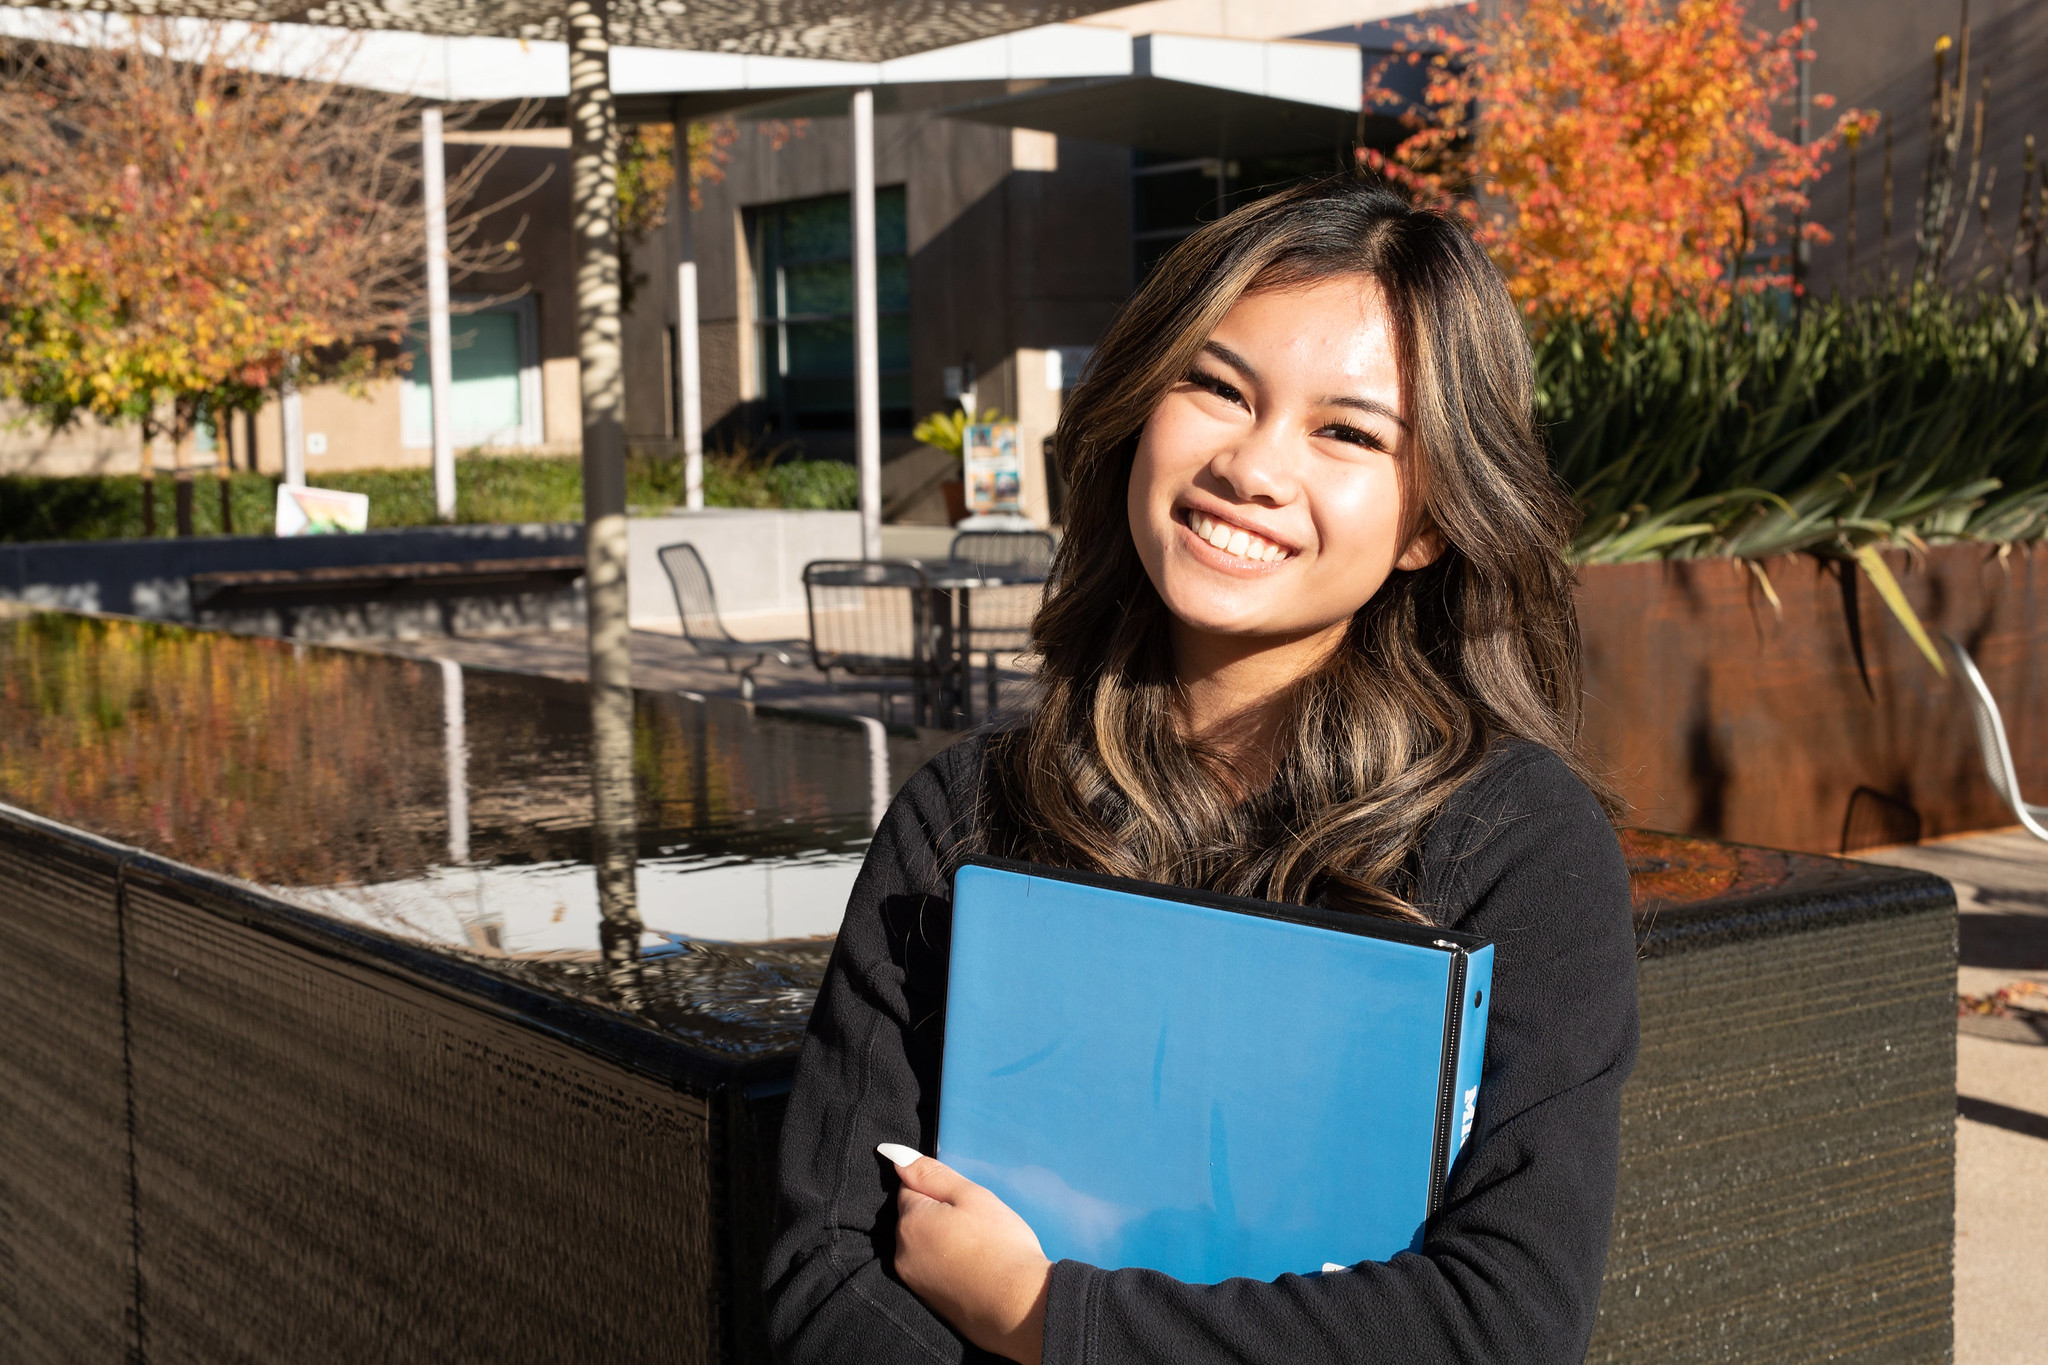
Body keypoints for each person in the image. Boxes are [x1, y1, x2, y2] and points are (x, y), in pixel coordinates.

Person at [763, 175, 1638, 1365]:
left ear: (1429, 520)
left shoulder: (1514, 847)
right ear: (1137, 409)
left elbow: (1498, 1326)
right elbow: (827, 1276)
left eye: (1346, 432)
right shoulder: (969, 812)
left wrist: (1043, 1316)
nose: (1254, 466)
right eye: (1217, 387)